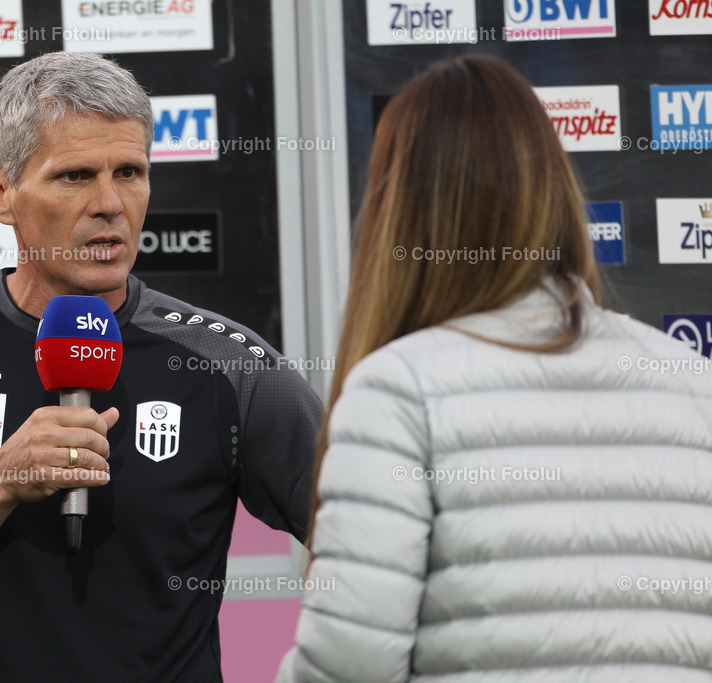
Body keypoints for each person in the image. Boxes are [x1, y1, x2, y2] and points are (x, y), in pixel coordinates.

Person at [0, 51, 322, 682]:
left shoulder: (227, 364)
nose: (111, 203)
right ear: (1, 195)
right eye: (76, 176)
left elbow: (375, 545)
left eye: (131, 172)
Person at [277, 55, 712, 682]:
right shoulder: (690, 379)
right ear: (553, 189)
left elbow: (351, 668)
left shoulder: (399, 391)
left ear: (399, 212)